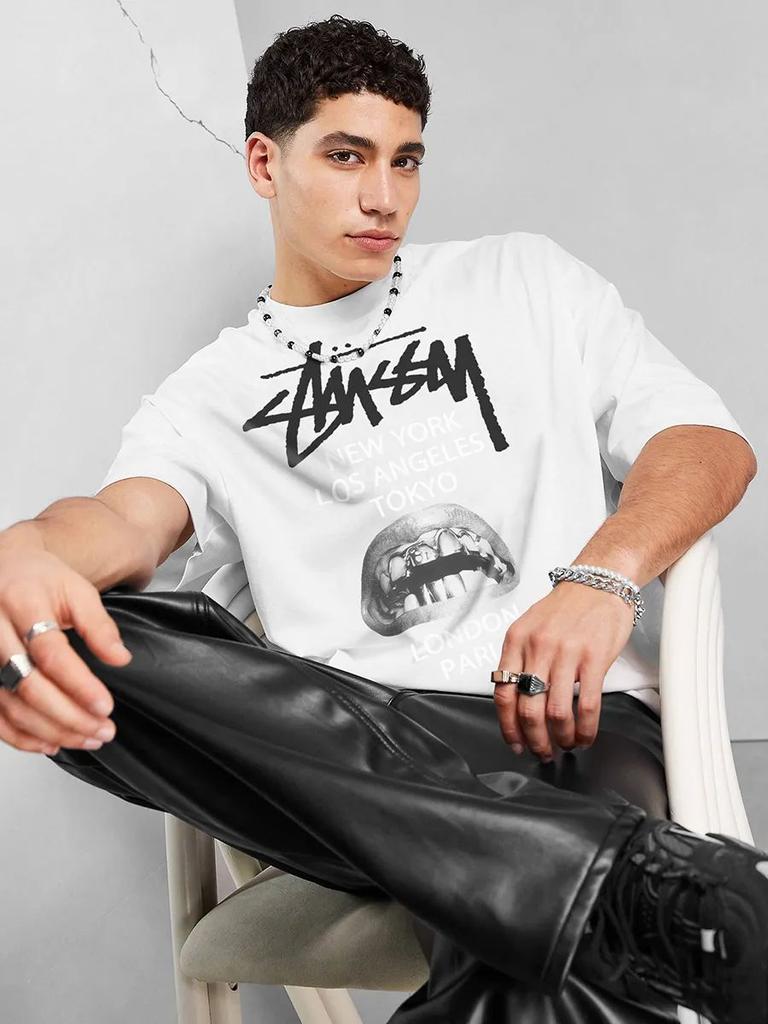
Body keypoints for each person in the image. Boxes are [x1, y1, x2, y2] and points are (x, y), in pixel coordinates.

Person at [0, 13, 763, 1024]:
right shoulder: (210, 395)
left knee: (529, 949)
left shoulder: (521, 280)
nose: (384, 196)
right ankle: (643, 887)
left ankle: (587, 879)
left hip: (570, 728)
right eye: (347, 156)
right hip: (342, 758)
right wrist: (23, 553)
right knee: (72, 631)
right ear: (265, 163)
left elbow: (706, 445)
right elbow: (121, 523)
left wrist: (603, 574)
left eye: (407, 160)